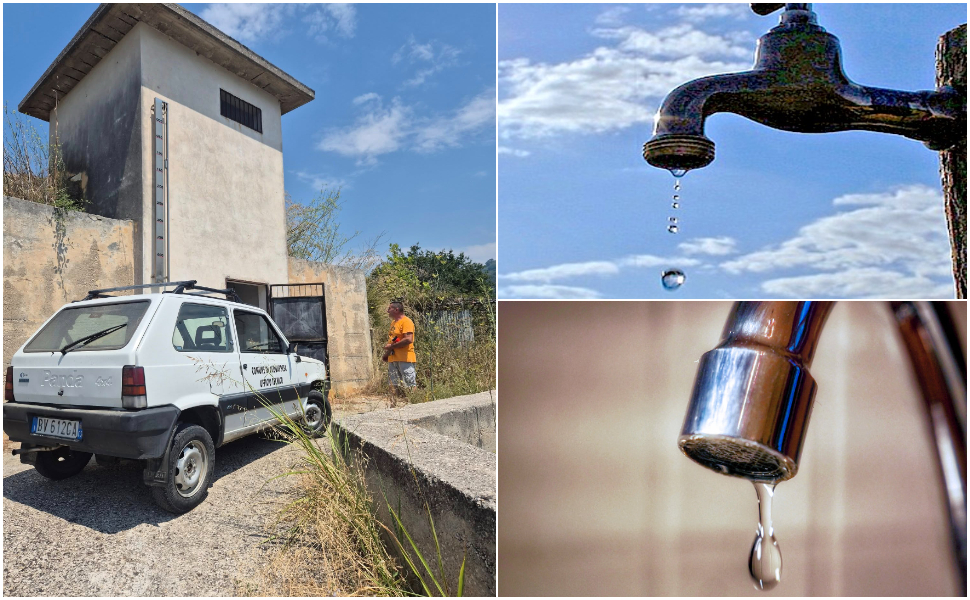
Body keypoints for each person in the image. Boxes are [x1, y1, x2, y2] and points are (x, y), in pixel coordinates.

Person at [382, 301, 416, 392]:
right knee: (393, 384)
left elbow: (408, 339)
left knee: (410, 384)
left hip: (405, 358)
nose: (387, 311)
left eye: (389, 308)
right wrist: (387, 353)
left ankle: (414, 403)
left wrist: (391, 347)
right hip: (393, 358)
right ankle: (395, 404)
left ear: (396, 310)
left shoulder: (406, 322)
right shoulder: (393, 323)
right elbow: (392, 340)